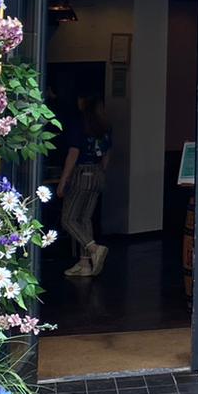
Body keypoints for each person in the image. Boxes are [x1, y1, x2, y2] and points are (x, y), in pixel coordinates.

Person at [59, 96, 113, 278]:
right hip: (98, 173)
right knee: (84, 219)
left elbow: (73, 153)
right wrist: (100, 173)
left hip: (82, 174)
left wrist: (64, 180)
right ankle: (84, 263)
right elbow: (106, 154)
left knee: (68, 219)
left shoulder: (79, 124)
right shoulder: (105, 126)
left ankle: (94, 248)